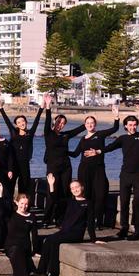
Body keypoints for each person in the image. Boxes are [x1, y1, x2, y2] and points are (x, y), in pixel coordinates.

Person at [102, 105, 139, 240]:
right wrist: (97, 151)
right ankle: (124, 227)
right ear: (125, 126)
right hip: (125, 175)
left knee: (137, 202)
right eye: (130, 125)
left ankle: (138, 229)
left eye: (134, 125)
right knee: (123, 202)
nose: (132, 127)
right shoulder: (122, 139)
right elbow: (109, 148)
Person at [35, 175, 97, 276]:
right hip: (64, 231)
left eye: (76, 187)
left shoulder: (88, 203)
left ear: (82, 187)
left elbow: (90, 222)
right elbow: (54, 199)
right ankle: (41, 272)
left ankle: (53, 273)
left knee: (54, 242)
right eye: (72, 188)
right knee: (47, 241)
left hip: (76, 234)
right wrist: (51, 185)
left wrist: (94, 239)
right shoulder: (69, 202)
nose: (75, 190)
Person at [68, 106, 120, 230]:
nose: (90, 125)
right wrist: (61, 151)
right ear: (85, 125)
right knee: (87, 195)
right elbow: (75, 154)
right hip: (84, 170)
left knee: (101, 194)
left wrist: (116, 116)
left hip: (98, 169)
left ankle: (98, 220)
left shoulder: (100, 134)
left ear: (95, 124)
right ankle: (86, 220)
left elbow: (115, 128)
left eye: (92, 123)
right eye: (88, 123)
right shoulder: (82, 139)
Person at [42, 93, 86, 228]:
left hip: (66, 166)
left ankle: (59, 219)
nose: (60, 125)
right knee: (52, 192)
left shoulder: (66, 135)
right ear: (55, 122)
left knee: (64, 193)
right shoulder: (48, 134)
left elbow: (80, 129)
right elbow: (47, 121)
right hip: (53, 167)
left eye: (63, 123)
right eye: (59, 122)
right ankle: (46, 219)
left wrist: (89, 122)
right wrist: (48, 106)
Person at [0, 97, 43, 199]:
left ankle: (23, 205)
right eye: (19, 122)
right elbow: (7, 120)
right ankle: (9, 206)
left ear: (26, 122)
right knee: (10, 185)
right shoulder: (14, 133)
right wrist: (0, 107)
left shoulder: (30, 134)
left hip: (25, 164)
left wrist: (42, 107)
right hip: (13, 164)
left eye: (23, 121)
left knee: (25, 186)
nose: (21, 123)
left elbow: (37, 121)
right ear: (16, 125)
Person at [4, 194, 40, 276]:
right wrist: (1, 194)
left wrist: (35, 251)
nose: (24, 206)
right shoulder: (11, 214)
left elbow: (34, 235)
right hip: (11, 246)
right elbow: (1, 207)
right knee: (16, 254)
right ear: (16, 202)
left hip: (24, 247)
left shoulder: (32, 217)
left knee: (17, 264)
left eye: (26, 204)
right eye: (22, 203)